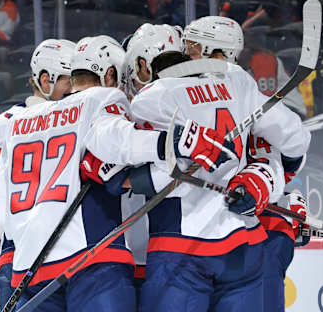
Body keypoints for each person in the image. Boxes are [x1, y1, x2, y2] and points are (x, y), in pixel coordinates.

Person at [0, 32, 233, 311]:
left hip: (27, 268)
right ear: (109, 74)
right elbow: (116, 140)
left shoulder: (18, 122)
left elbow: (0, 205)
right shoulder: (101, 99)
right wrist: (173, 142)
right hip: (91, 262)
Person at [122, 23, 310, 312]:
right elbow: (295, 140)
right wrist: (272, 180)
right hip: (242, 242)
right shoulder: (237, 81)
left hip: (178, 248)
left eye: (192, 45)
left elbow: (128, 177)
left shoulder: (152, 97)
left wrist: (146, 177)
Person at [182, 16, 309, 311]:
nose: (185, 52)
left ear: (214, 50)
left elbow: (283, 154)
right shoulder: (186, 89)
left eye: (192, 45)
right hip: (208, 239)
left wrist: (282, 193)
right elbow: (293, 146)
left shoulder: (241, 91)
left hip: (244, 235)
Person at [0, 38, 75, 310]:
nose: (76, 89)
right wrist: (1, 223)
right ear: (46, 81)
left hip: (67, 254)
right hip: (19, 256)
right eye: (70, 80)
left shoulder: (75, 118)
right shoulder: (7, 125)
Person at [183, 16, 307, 118]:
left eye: (193, 51)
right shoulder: (225, 70)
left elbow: (265, 99)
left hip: (288, 110)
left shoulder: (263, 60)